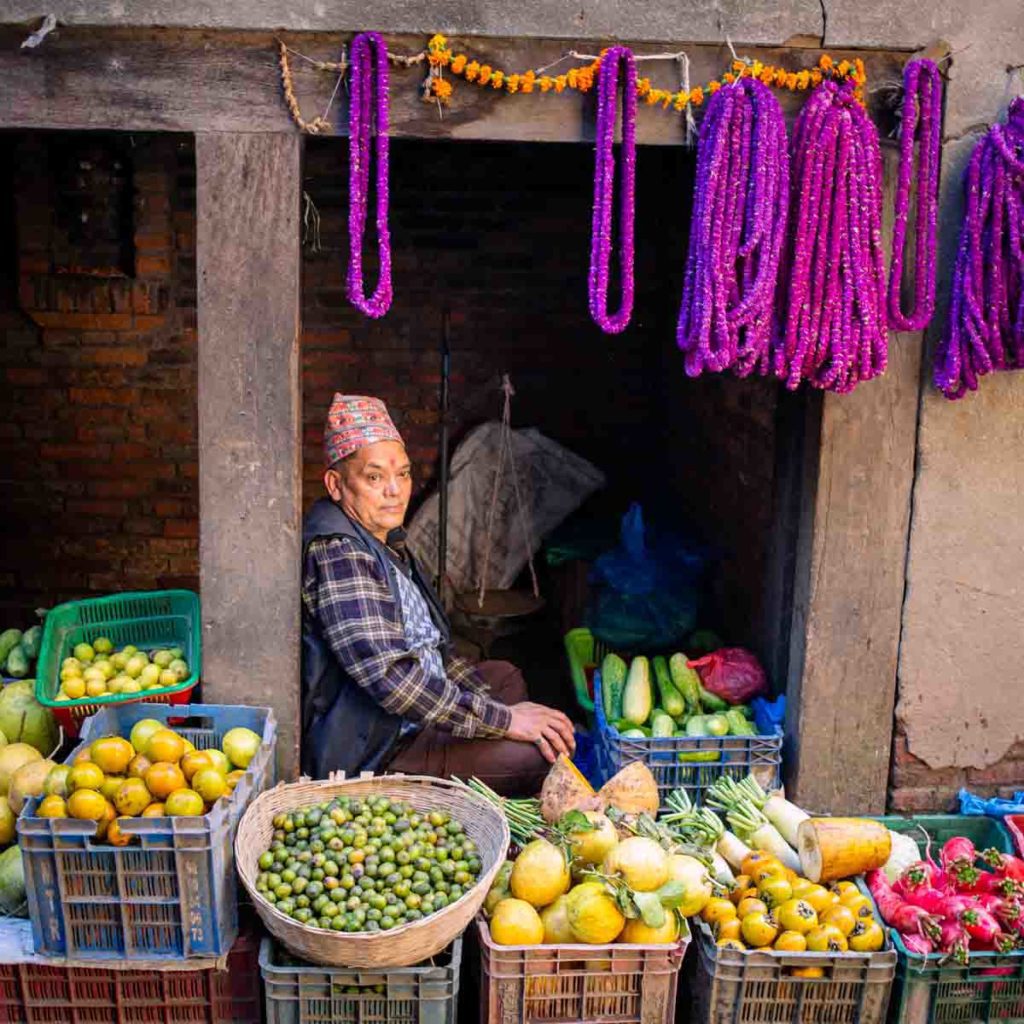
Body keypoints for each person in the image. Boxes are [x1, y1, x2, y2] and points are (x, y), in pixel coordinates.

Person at [301, 393, 575, 795]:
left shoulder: (384, 541)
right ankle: (422, 794)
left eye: (404, 474)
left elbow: (433, 652)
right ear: (337, 485)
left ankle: (476, 785)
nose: (394, 491)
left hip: (407, 717)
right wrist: (504, 722)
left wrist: (496, 712)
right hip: (377, 745)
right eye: (374, 477)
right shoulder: (340, 553)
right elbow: (393, 679)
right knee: (532, 756)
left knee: (504, 677)